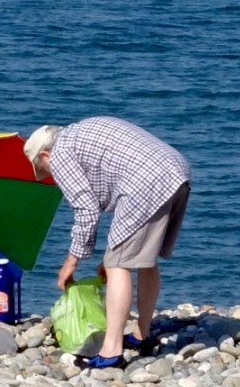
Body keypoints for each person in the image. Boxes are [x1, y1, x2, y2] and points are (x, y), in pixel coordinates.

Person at [24, 117, 191, 370]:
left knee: (117, 265)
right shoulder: (82, 131)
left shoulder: (61, 154)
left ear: (46, 155)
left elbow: (87, 210)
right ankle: (141, 335)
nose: (52, 176)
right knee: (144, 259)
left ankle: (111, 352)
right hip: (177, 170)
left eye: (45, 169)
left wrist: (72, 262)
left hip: (146, 181)